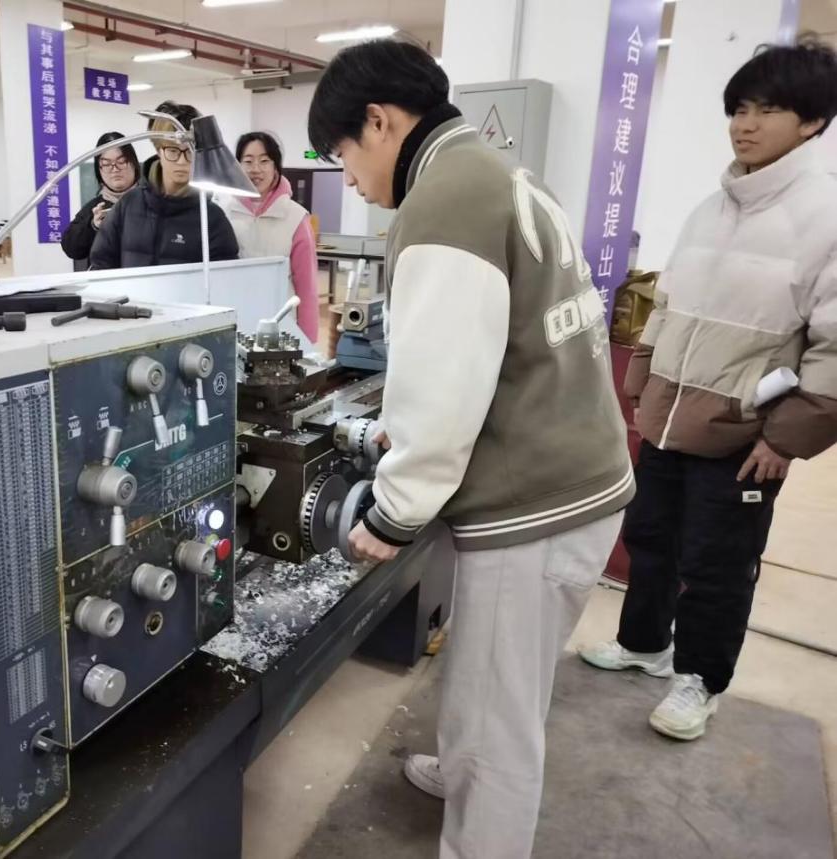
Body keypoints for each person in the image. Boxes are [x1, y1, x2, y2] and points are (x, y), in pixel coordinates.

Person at [308, 40, 634, 859]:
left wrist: (394, 510)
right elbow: (496, 349)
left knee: (501, 722)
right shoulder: (498, 170)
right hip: (575, 478)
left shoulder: (442, 203)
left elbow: (442, 388)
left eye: (343, 154)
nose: (351, 180)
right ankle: (460, 766)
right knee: (491, 675)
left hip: (534, 505)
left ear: (379, 122)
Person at [579, 41, 837, 740]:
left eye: (768, 110)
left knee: (717, 563)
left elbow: (833, 347)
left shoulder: (825, 216)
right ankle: (644, 645)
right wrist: (640, 385)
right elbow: (667, 305)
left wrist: (786, 439)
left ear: (813, 121)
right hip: (670, 415)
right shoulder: (711, 208)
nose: (745, 125)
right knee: (651, 537)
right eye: (739, 109)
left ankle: (701, 679)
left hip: (745, 433)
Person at [89, 101, 238, 270]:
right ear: (159, 150)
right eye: (173, 151)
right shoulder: (128, 205)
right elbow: (101, 264)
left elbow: (226, 277)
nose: (182, 161)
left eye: (190, 151)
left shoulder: (211, 218)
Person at [217, 132, 319, 342]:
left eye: (264, 161)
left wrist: (308, 342)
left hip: (281, 325)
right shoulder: (223, 211)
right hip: (235, 322)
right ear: (238, 166)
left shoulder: (295, 218)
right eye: (248, 161)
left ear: (275, 167)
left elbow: (306, 288)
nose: (256, 169)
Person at [61, 132, 139, 269]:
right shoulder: (95, 209)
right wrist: (93, 226)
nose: (115, 169)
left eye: (121, 161)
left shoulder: (153, 200)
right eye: (106, 164)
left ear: (133, 163)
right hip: (107, 281)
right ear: (99, 170)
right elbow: (71, 248)